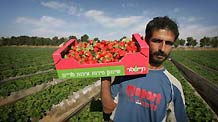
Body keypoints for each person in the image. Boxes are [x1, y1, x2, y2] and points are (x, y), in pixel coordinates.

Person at [101, 16, 188, 122]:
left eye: (169, 43)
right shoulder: (127, 71)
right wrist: (104, 71)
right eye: (157, 41)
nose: (162, 49)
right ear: (145, 41)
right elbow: (108, 108)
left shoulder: (173, 86)